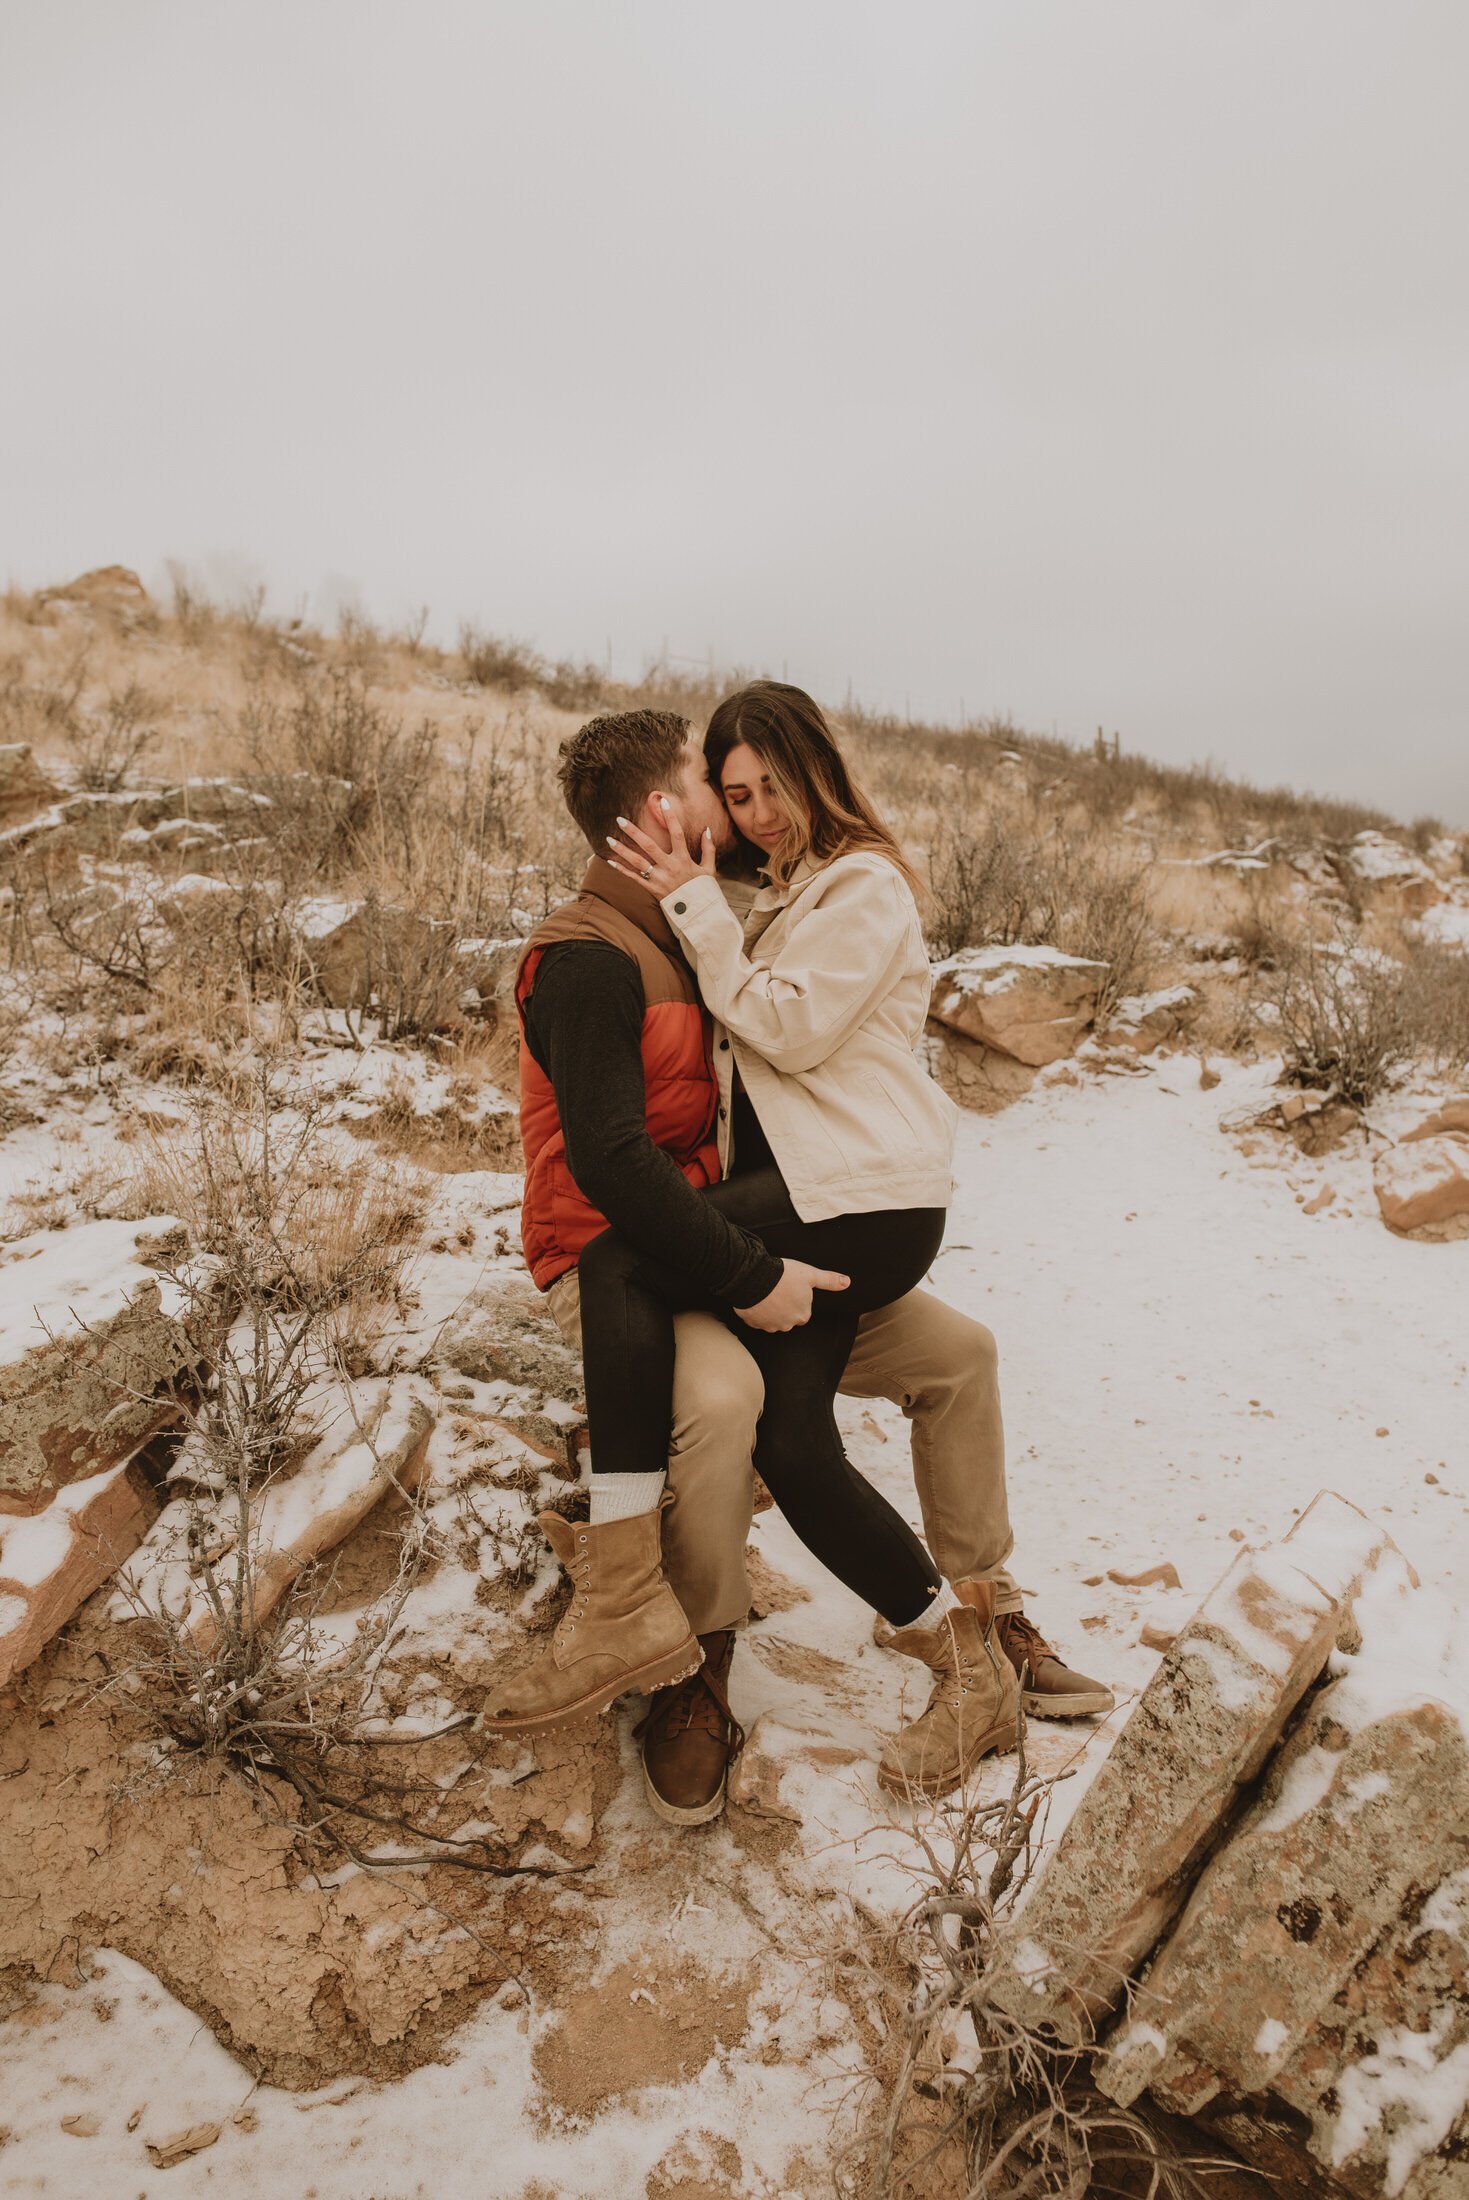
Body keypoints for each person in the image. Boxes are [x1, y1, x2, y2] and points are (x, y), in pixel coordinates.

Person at [482, 696, 1112, 1812]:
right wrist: (746, 1268)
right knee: (773, 1422)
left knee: (947, 1356)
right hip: (750, 1227)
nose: (753, 813)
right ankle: (714, 1654)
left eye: (770, 786)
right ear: (675, 807)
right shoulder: (632, 936)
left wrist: (747, 1264)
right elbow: (611, 1159)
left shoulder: (826, 889)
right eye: (728, 791)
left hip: (827, 1210)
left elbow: (784, 1028)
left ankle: (982, 1605)